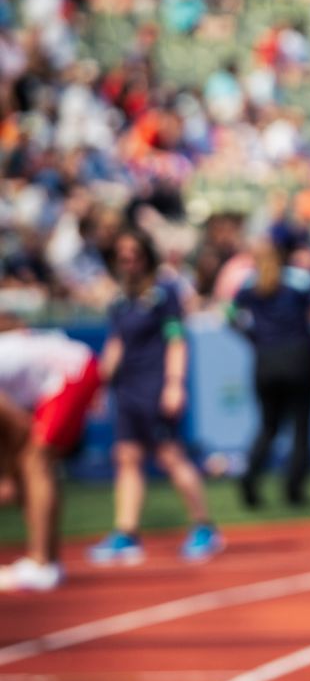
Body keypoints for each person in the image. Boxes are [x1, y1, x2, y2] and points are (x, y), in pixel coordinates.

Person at [88, 228, 223, 565]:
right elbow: (116, 344)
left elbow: (177, 339)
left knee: (169, 456)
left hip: (155, 385)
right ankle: (127, 533)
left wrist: (174, 384)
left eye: (134, 253)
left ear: (146, 255)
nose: (128, 260)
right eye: (122, 255)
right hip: (128, 389)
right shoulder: (121, 300)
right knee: (127, 457)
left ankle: (205, 527)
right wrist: (99, 386)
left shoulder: (164, 294)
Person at [0, 317, 101, 591]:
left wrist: (9, 477)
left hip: (72, 372)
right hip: (73, 367)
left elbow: (19, 428)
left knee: (36, 460)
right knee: (34, 462)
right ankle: (48, 561)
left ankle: (42, 563)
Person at [229, 236, 310, 507]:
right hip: (299, 357)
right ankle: (294, 489)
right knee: (301, 425)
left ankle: (250, 477)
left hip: (267, 359)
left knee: (269, 425)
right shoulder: (301, 279)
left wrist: (254, 336)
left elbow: (228, 313)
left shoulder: (250, 283)